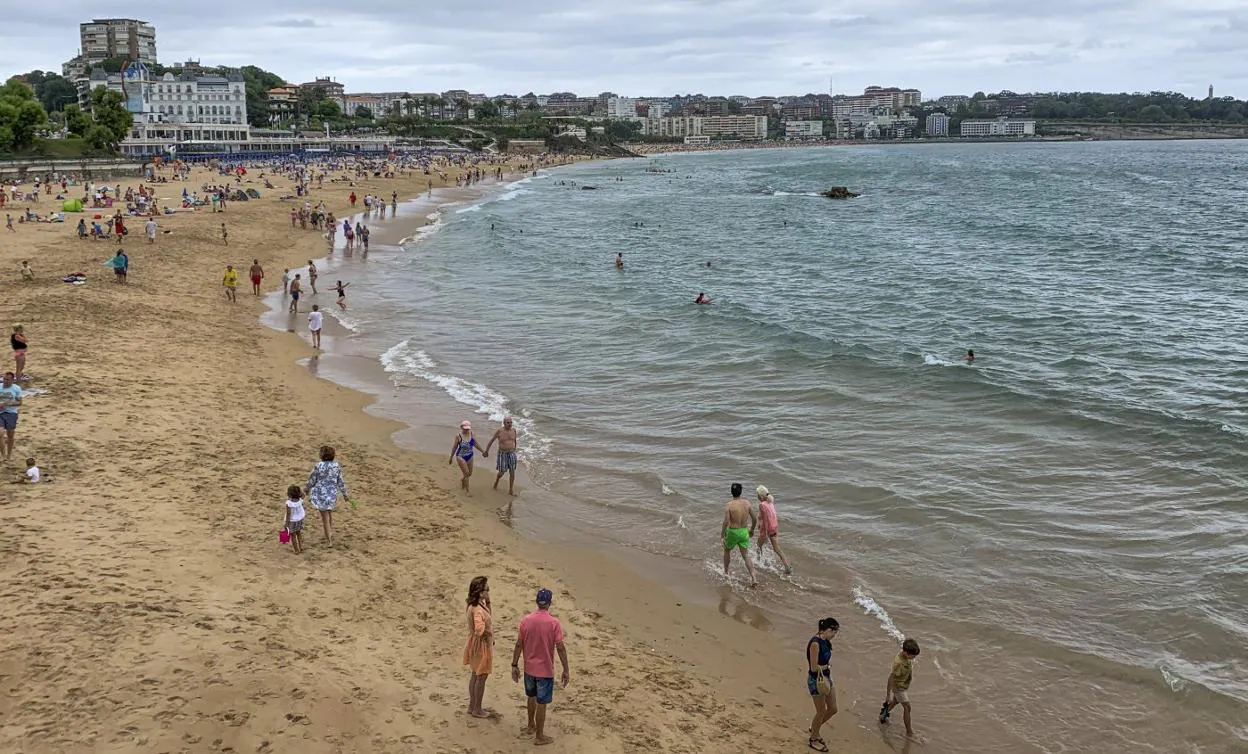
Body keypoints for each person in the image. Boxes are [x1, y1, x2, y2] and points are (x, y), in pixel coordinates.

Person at [511, 588, 570, 746]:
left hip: (529, 668)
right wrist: (566, 669)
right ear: (549, 603)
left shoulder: (526, 620)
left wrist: (514, 664)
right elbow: (560, 647)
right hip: (544, 670)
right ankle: (539, 736)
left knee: (531, 697)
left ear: (537, 602)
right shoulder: (553, 623)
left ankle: (530, 724)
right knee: (541, 702)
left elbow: (519, 644)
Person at [305, 445, 351, 546]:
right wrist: (345, 494)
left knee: (324, 518)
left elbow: (311, 479)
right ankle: (330, 532)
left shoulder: (318, 466)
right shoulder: (336, 466)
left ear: (321, 455)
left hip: (320, 494)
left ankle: (329, 540)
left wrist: (306, 489)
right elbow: (340, 482)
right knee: (329, 513)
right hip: (332, 494)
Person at [463, 576, 495, 719]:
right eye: (487, 590)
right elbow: (479, 629)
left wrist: (488, 602)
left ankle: (472, 706)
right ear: (480, 592)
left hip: (473, 644)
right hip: (481, 645)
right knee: (481, 677)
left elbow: (489, 615)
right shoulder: (477, 610)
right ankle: (477, 708)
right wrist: (489, 634)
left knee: (475, 674)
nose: (489, 591)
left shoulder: (474, 605)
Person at [807, 617, 840, 752]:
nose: (834, 636)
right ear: (828, 630)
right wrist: (827, 665)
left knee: (833, 708)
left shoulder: (825, 641)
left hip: (826, 677)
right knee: (820, 711)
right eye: (834, 632)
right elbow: (814, 667)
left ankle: (814, 728)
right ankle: (813, 738)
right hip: (816, 680)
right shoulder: (815, 643)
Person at [880, 638, 921, 740]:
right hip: (899, 687)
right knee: (907, 707)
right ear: (906, 653)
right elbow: (891, 678)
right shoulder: (898, 664)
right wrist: (888, 694)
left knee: (896, 701)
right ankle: (909, 732)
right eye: (913, 656)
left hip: (904, 685)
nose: (914, 658)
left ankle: (883, 715)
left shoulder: (905, 656)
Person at [721, 482, 758, 587]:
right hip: (744, 532)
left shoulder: (729, 505)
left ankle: (726, 572)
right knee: (746, 555)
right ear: (741, 492)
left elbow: (726, 521)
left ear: (731, 492)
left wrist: (722, 535)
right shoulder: (747, 503)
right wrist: (752, 529)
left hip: (733, 531)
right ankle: (754, 578)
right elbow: (755, 518)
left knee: (727, 550)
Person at [755, 485, 792, 574]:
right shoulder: (770, 503)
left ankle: (758, 562)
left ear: (760, 496)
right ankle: (787, 566)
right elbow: (771, 516)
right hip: (774, 528)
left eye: (757, 495)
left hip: (767, 529)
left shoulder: (762, 505)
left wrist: (766, 533)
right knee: (777, 548)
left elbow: (766, 519)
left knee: (758, 546)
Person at [486, 416, 519, 499]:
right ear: (504, 423)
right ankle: (497, 481)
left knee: (512, 471)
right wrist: (486, 451)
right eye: (508, 422)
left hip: (512, 453)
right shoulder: (499, 431)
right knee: (502, 472)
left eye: (511, 422)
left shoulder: (514, 430)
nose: (510, 424)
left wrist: (515, 449)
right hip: (502, 454)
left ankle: (511, 490)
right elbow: (491, 440)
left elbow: (515, 440)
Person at [449, 420, 485, 494]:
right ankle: (467, 491)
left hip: (470, 455)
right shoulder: (458, 436)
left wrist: (482, 451)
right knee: (466, 473)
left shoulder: (472, 434)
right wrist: (451, 457)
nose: (466, 430)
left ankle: (463, 480)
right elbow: (454, 447)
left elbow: (475, 444)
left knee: (469, 474)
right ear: (461, 427)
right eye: (465, 429)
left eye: (468, 429)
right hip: (460, 456)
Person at [0, 371, 22, 462]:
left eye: (7, 379)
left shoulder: (16, 389)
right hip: (0, 413)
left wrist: (6, 403)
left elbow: (19, 402)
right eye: (4, 379)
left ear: (12, 380)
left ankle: (9, 455)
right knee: (0, 433)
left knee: (10, 435)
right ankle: (3, 456)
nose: (5, 381)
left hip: (11, 413)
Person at [284, 485, 306, 554]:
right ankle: (301, 547)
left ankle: (296, 550)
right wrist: (299, 492)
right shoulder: (301, 500)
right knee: (299, 533)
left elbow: (288, 514)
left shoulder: (289, 503)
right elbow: (303, 494)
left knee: (293, 535)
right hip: (300, 519)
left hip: (292, 521)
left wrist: (286, 524)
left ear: (289, 495)